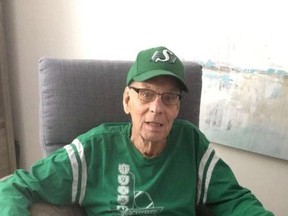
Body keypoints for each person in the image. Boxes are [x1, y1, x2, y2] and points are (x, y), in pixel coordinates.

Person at [0, 46, 274, 216]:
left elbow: (234, 199)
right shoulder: (94, 149)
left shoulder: (190, 143)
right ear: (126, 100)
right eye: (145, 94)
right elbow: (15, 186)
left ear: (177, 108)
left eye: (169, 97)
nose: (157, 108)